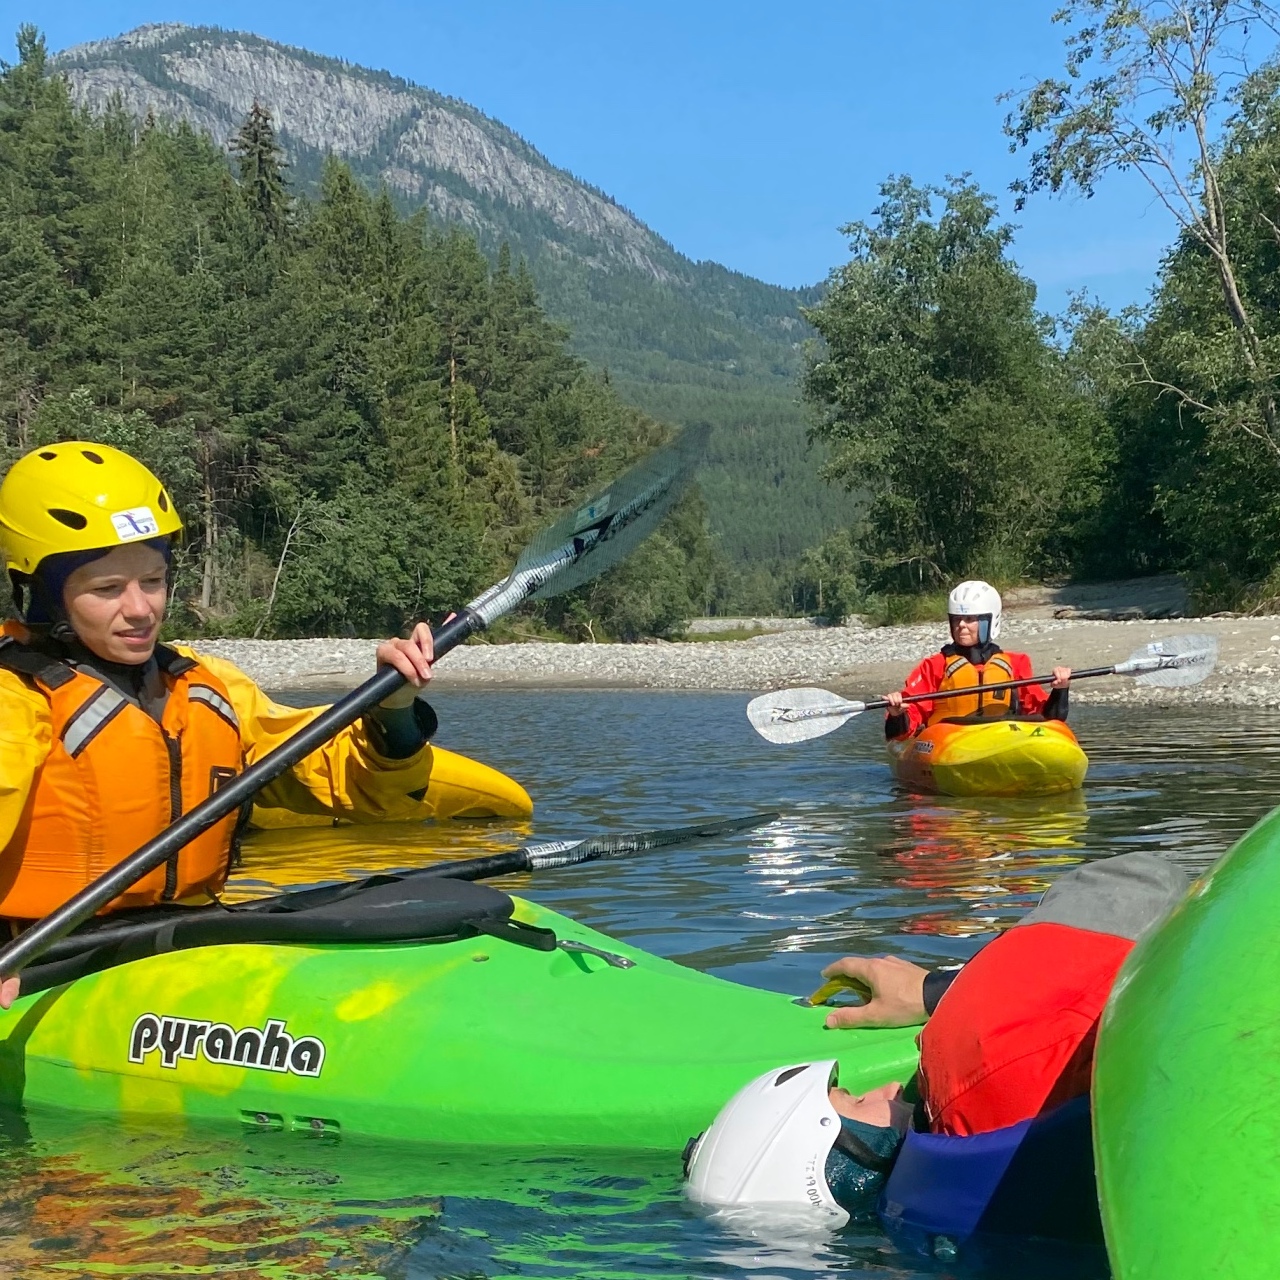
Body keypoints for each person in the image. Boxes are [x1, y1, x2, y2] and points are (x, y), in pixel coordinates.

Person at [0, 442, 445, 1008]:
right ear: (43, 597)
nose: (140, 609)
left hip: (191, 941)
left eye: (154, 580)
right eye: (107, 589)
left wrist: (393, 709)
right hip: (48, 962)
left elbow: (353, 788)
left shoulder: (210, 688)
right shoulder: (15, 699)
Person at [686, 852, 1189, 1226]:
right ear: (840, 1157)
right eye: (857, 1098)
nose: (889, 1088)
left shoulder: (978, 1223)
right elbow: (1142, 879)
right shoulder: (974, 1040)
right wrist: (944, 991)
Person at [884, 580, 1072, 740]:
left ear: (989, 622)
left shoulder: (1016, 663)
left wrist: (1060, 690)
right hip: (950, 740)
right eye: (957, 619)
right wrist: (897, 714)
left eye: (969, 619)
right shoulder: (934, 666)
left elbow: (1048, 717)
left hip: (1001, 737)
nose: (961, 625)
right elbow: (902, 730)